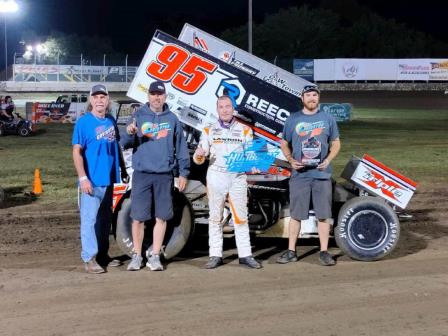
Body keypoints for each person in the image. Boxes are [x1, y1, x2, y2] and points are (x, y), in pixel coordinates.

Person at [122, 81, 190, 272]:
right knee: (138, 217)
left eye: (160, 94)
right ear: (148, 96)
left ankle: (155, 256)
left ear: (165, 97)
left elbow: (181, 147)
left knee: (162, 217)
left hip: (164, 175)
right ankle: (136, 255)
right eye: (153, 94)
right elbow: (125, 142)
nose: (156, 97)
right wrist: (129, 133)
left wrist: (184, 172)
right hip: (142, 174)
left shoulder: (173, 119)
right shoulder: (138, 115)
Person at [193, 95, 262, 269]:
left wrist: (254, 165)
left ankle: (245, 255)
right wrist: (199, 154)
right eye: (221, 107)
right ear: (217, 110)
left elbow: (251, 155)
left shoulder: (245, 130)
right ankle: (215, 255)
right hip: (216, 176)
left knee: (241, 217)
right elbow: (200, 157)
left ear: (233, 109)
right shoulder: (209, 130)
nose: (224, 110)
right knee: (215, 217)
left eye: (228, 106)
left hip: (237, 177)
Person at [276, 85, 341, 266]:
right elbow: (283, 142)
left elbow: (335, 143)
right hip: (300, 174)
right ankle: (291, 251)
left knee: (323, 215)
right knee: (296, 214)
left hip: (321, 174)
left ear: (318, 98)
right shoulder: (293, 119)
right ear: (302, 98)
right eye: (308, 95)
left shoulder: (328, 119)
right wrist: (290, 159)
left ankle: (324, 252)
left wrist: (328, 160)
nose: (311, 98)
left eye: (314, 95)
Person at [72, 84, 128, 274]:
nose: (99, 100)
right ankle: (89, 258)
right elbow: (76, 152)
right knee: (89, 220)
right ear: (90, 100)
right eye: (95, 97)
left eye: (102, 97)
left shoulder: (111, 121)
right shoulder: (84, 123)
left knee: (105, 219)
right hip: (92, 182)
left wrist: (122, 168)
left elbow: (116, 147)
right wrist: (82, 178)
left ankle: (103, 254)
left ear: (107, 100)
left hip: (109, 179)